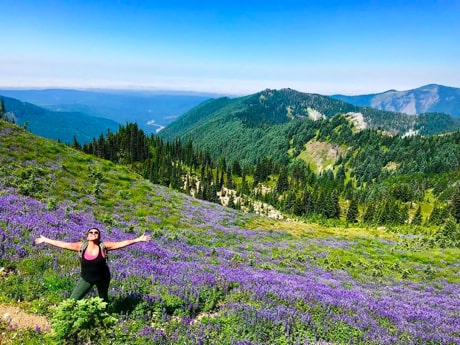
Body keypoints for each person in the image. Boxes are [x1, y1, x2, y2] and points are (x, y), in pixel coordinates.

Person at [34, 227, 151, 303]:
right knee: (72, 300)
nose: (93, 233)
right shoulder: (81, 246)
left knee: (103, 299)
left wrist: (138, 239)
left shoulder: (104, 246)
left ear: (99, 236)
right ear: (87, 236)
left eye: (96, 233)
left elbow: (122, 243)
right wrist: (46, 240)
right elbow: (63, 244)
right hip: (87, 278)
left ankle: (104, 319)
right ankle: (65, 317)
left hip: (103, 277)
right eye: (91, 232)